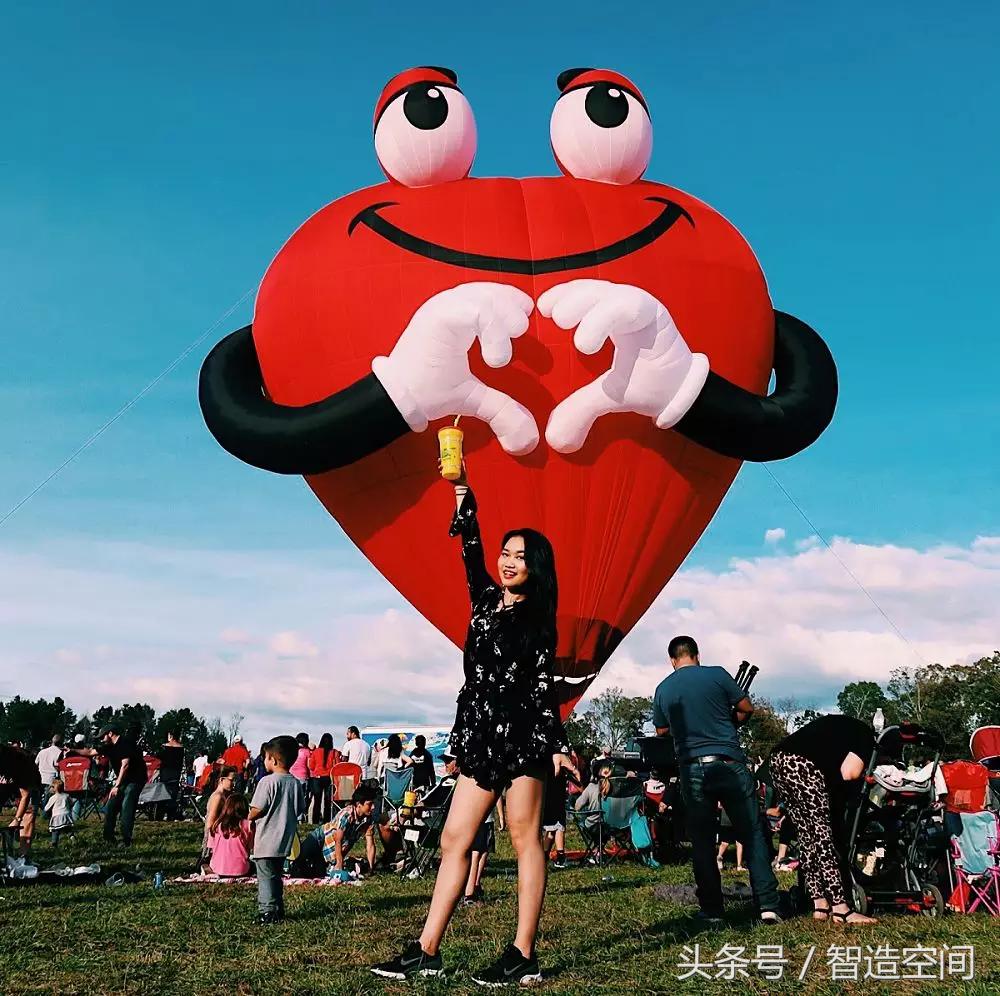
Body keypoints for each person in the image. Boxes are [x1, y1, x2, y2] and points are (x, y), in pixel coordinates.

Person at [373, 463, 578, 985]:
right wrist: (464, 492)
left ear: (538, 568)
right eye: (506, 553)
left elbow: (540, 687)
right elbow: (469, 550)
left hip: (525, 739)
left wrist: (556, 744)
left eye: (520, 556)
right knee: (453, 838)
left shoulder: (538, 622)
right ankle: (427, 948)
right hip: (483, 736)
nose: (508, 562)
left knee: (526, 841)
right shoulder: (485, 602)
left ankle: (523, 952)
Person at [652, 636, 780, 924]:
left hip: (692, 768)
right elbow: (746, 708)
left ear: (672, 660)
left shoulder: (663, 688)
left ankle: (712, 910)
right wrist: (730, 721)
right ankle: (768, 905)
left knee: (702, 841)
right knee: (752, 833)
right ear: (697, 655)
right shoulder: (718, 675)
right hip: (729, 762)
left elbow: (661, 731)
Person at [768, 714, 878, 924]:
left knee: (807, 837)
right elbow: (849, 773)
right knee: (822, 836)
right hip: (803, 765)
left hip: (778, 760)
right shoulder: (866, 736)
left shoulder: (844, 727)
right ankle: (841, 908)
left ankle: (819, 904)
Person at [249, 736, 305, 925]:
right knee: (277, 876)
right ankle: (278, 909)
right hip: (284, 840)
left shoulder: (267, 782)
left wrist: (247, 816)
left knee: (265, 877)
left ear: (272, 760)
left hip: (266, 840)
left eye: (265, 757)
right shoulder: (296, 783)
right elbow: (299, 808)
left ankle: (267, 912)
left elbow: (258, 808)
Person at [68, 724, 148, 848]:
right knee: (111, 806)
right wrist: (73, 751)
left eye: (102, 736)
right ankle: (108, 837)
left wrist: (116, 785)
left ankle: (126, 839)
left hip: (135, 779)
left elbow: (125, 765)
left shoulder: (125, 743)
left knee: (127, 805)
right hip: (123, 781)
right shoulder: (109, 747)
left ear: (110, 734)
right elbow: (90, 752)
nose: (101, 739)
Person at [305, 783, 379, 876]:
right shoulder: (346, 815)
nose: (373, 807)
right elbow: (338, 840)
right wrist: (339, 863)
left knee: (318, 870)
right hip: (320, 838)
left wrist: (371, 868)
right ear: (358, 804)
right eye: (370, 804)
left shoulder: (368, 819)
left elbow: (370, 844)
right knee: (300, 861)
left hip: (335, 849)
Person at [1, 743, 42, 856]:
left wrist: (17, 819)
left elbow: (25, 795)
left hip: (29, 780)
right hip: (6, 783)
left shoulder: (20, 762)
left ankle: (23, 856)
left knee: (28, 814)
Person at [209, 794, 253, 877]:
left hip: (217, 868)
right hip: (241, 869)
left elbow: (211, 847)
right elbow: (251, 846)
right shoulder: (248, 825)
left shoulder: (216, 825)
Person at [541, 769, 568, 869]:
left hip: (549, 800)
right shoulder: (557, 769)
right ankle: (559, 857)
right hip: (555, 799)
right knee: (558, 828)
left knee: (552, 830)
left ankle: (544, 856)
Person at [309, 733, 337, 824]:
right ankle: (327, 820)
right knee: (328, 802)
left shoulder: (316, 751)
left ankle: (315, 821)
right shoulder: (334, 752)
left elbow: (311, 766)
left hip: (317, 778)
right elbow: (337, 766)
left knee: (317, 801)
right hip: (329, 778)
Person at [158, 732, 184, 820]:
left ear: (171, 736)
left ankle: (159, 815)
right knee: (173, 795)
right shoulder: (181, 748)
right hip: (176, 772)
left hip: (165, 772)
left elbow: (159, 757)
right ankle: (171, 815)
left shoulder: (164, 747)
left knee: (162, 794)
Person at [44, 778, 74, 847]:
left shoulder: (53, 798)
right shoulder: (66, 795)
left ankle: (54, 843)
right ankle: (72, 837)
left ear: (54, 789)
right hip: (66, 815)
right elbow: (72, 803)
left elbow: (46, 808)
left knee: (55, 830)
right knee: (67, 828)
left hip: (57, 816)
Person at [290, 733, 311, 809]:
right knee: (301, 797)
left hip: (291, 775)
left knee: (292, 796)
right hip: (303, 776)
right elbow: (309, 765)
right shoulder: (307, 752)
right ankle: (300, 816)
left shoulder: (292, 750)